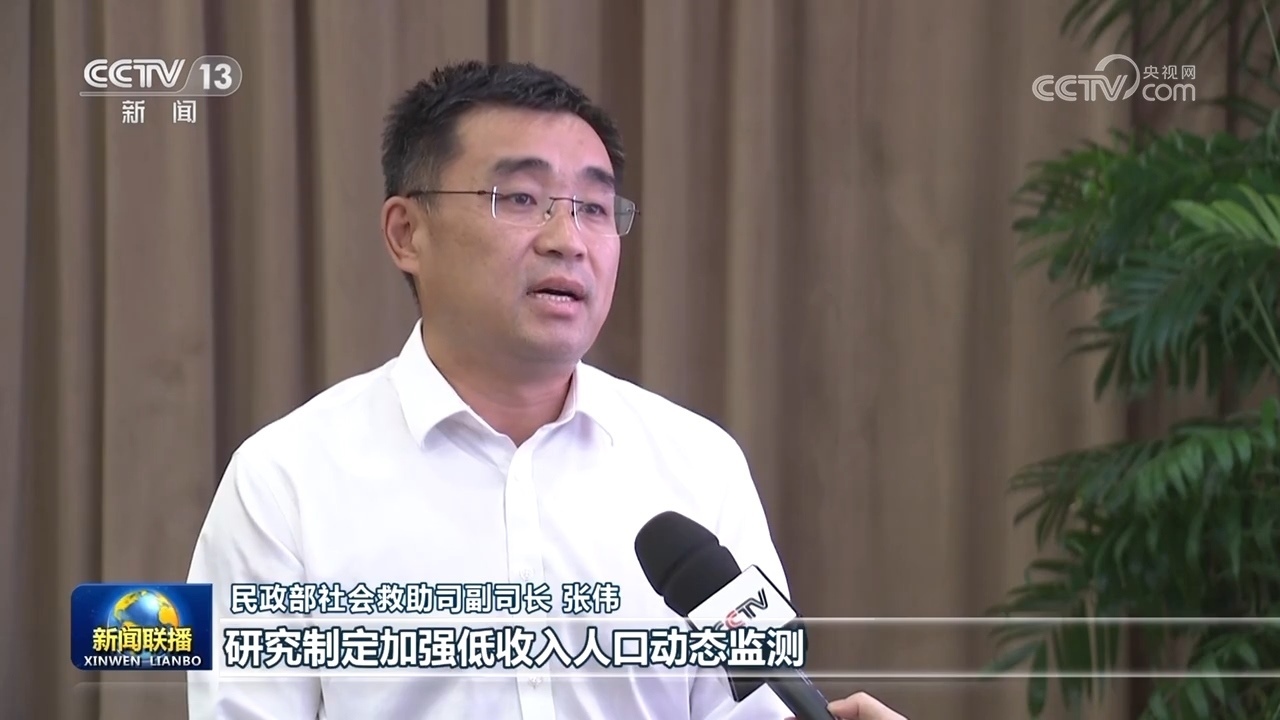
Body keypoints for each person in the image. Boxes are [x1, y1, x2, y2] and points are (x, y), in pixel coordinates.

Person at [186, 60, 908, 720]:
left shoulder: (700, 465)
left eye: (594, 208)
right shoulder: (284, 482)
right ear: (407, 232)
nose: (568, 239)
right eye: (522, 197)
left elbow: (755, 708)